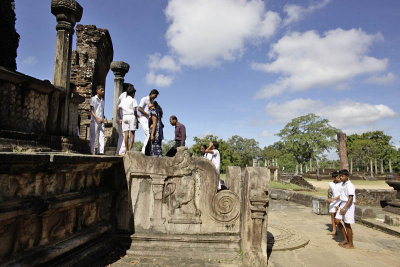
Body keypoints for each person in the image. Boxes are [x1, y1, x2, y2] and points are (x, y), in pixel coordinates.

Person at [335, 169, 356, 249]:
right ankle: (346, 239)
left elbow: (351, 197)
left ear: (347, 176)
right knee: (337, 220)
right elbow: (342, 196)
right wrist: (339, 205)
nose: (341, 177)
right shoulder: (343, 184)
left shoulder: (350, 185)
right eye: (340, 176)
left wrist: (344, 208)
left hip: (348, 205)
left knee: (347, 224)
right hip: (343, 204)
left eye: (342, 176)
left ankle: (351, 244)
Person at [117, 86, 139, 155]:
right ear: (132, 93)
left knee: (126, 134)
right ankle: (129, 149)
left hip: (125, 117)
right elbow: (134, 110)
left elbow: (118, 109)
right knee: (132, 134)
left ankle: (126, 150)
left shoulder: (123, 100)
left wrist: (120, 118)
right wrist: (137, 116)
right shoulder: (133, 100)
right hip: (131, 116)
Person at [138, 89, 159, 155]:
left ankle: (146, 151)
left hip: (149, 120)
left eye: (156, 96)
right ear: (151, 93)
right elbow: (139, 108)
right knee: (149, 134)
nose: (155, 97)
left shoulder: (152, 101)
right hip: (143, 118)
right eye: (155, 95)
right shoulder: (144, 99)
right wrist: (147, 115)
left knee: (146, 135)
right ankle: (144, 151)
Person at [89, 85, 106, 155]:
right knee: (93, 136)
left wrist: (104, 118)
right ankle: (91, 151)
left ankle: (100, 151)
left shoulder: (102, 100)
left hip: (101, 120)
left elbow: (101, 111)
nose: (103, 92)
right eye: (101, 90)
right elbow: (91, 111)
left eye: (103, 90)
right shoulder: (93, 99)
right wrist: (97, 118)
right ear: (97, 91)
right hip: (94, 120)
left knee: (101, 135)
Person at [115, 83, 130, 155]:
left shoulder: (122, 95)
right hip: (122, 117)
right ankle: (122, 151)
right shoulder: (125, 95)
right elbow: (121, 107)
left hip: (120, 117)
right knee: (126, 135)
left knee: (121, 136)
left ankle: (118, 152)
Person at [327, 171, 341, 235]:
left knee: (339, 217)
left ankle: (343, 229)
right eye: (338, 177)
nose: (339, 178)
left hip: (340, 201)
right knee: (332, 215)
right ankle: (334, 230)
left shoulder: (341, 184)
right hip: (333, 201)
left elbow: (342, 194)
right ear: (334, 178)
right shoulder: (330, 184)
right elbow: (330, 192)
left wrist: (334, 199)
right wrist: (329, 199)